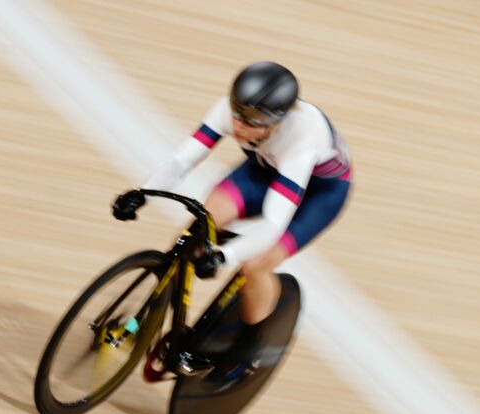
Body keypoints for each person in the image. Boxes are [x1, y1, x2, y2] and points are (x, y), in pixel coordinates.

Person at [112, 62, 352, 373]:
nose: (238, 125)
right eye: (237, 113)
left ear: (276, 122)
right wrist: (142, 193)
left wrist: (224, 256)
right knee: (196, 232)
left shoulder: (302, 139)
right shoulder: (232, 110)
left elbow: (273, 224)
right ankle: (143, 324)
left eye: (251, 121)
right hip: (263, 172)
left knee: (254, 265)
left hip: (318, 196)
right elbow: (182, 160)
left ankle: (251, 347)